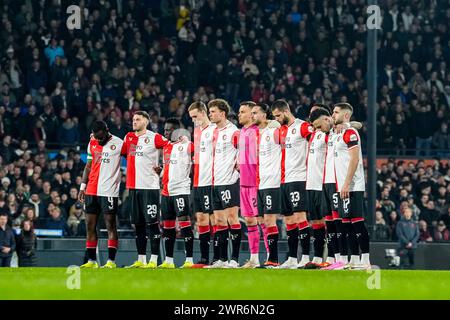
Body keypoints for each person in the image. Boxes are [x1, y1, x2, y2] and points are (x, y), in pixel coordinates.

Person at [121, 111, 169, 268]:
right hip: (133, 188)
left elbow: (170, 147)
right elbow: (119, 151)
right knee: (138, 225)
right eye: (133, 119)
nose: (134, 121)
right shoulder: (128, 137)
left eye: (138, 119)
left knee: (152, 224)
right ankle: (141, 260)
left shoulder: (154, 137)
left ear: (146, 121)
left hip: (149, 188)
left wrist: (163, 167)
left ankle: (154, 260)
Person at [272, 99, 313, 268]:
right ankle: (291, 258)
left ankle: (304, 257)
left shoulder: (303, 126)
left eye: (278, 115)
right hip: (284, 179)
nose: (277, 119)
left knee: (300, 217)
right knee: (288, 220)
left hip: (298, 178)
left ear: (286, 111)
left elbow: (317, 140)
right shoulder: (281, 130)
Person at [78, 120, 124, 268]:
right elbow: (88, 165)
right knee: (90, 226)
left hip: (109, 190)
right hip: (91, 189)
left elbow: (132, 159)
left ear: (106, 131)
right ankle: (91, 261)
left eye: (100, 137)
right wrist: (82, 187)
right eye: (96, 137)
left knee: (111, 225)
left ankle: (111, 261)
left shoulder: (118, 143)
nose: (98, 140)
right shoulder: (92, 141)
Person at [332, 102, 371, 270]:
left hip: (352, 185)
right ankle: (354, 260)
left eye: (336, 112)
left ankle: (366, 260)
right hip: (342, 186)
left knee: (357, 222)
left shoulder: (350, 133)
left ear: (345, 115)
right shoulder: (338, 133)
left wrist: (347, 183)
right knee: (346, 223)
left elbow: (355, 159)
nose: (333, 115)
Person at [206, 99, 241, 268]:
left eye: (212, 111)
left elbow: (244, 149)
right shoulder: (212, 131)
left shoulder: (233, 131)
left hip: (229, 181)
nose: (210, 114)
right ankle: (220, 259)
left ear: (222, 113)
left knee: (232, 219)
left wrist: (239, 163)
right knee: (219, 221)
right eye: (209, 111)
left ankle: (234, 259)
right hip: (215, 182)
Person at [159, 118, 195, 268]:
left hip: (181, 190)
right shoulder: (166, 146)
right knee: (167, 227)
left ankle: (189, 260)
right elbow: (168, 167)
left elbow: (197, 156)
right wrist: (160, 172)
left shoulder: (187, 145)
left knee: (185, 224)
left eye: (169, 130)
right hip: (166, 191)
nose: (165, 132)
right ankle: (168, 261)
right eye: (165, 129)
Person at [238, 101, 269, 268]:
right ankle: (254, 259)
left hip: (257, 182)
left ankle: (271, 257)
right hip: (243, 182)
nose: (239, 114)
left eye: (243, 112)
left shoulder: (259, 131)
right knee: (250, 221)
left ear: (252, 114)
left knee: (263, 221)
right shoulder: (242, 131)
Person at [252, 103, 282, 268]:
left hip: (272, 181)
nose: (252, 116)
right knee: (261, 220)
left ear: (264, 115)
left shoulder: (274, 131)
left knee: (270, 219)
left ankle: (274, 258)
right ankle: (270, 255)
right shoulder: (254, 134)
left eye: (255, 113)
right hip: (258, 182)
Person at [188, 101, 217, 268]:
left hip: (210, 181)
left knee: (214, 219)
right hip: (198, 181)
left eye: (195, 116)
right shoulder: (197, 131)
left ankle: (218, 258)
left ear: (204, 112)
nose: (193, 120)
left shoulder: (215, 129)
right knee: (200, 219)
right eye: (191, 118)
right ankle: (205, 258)